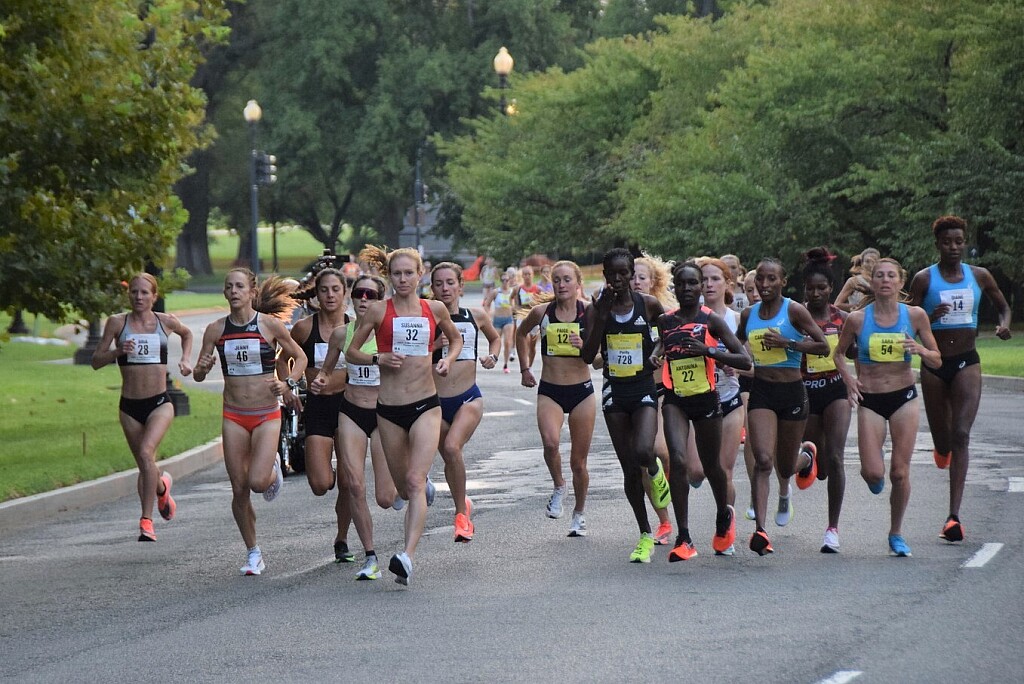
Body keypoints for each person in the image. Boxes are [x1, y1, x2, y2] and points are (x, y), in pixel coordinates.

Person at [345, 245, 462, 586]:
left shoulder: (434, 308)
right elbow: (352, 351)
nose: (403, 279)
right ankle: (422, 485)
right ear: (389, 276)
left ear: (420, 274)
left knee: (413, 481)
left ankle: (407, 556)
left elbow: (454, 340)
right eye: (396, 274)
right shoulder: (378, 311)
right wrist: (377, 359)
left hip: (426, 405)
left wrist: (447, 359)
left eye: (409, 273)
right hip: (389, 411)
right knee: (403, 488)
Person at [193, 269, 306, 575]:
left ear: (251, 292)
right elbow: (199, 374)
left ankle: (272, 471)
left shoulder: (269, 325)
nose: (234, 291)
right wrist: (202, 368)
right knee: (239, 487)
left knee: (257, 482)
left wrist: (289, 383)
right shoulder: (215, 330)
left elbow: (300, 357)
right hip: (234, 414)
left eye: (239, 286)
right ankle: (253, 552)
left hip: (266, 413)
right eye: (229, 286)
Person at [909, 215, 1012, 542]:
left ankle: (953, 517)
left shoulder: (979, 275)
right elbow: (907, 322)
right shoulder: (924, 279)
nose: (953, 247)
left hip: (967, 360)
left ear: (965, 243)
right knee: (944, 441)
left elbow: (1003, 307)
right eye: (947, 242)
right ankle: (942, 450)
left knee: (962, 434)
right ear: (937, 244)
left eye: (958, 241)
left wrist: (1004, 324)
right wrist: (930, 317)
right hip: (935, 363)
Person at [833, 257, 941, 556]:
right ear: (872, 281)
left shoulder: (915, 316)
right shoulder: (857, 319)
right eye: (879, 275)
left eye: (891, 276)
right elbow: (839, 354)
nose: (885, 280)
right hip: (871, 400)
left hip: (904, 397)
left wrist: (920, 349)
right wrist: (849, 380)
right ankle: (874, 467)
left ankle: (896, 533)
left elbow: (937, 358)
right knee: (873, 473)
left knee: (900, 473)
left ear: (900, 282)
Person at [651, 262, 750, 561]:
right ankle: (684, 537)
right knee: (678, 460)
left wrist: (708, 351)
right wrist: (656, 355)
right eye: (681, 284)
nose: (687, 289)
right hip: (675, 400)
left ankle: (723, 512)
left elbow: (744, 360)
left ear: (700, 287)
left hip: (707, 400)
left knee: (712, 466)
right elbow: (662, 345)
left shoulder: (711, 320)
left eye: (693, 283)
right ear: (675, 287)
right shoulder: (665, 320)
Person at [581, 248, 669, 563]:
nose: (618, 279)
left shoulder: (648, 305)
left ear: (631, 274)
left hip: (643, 387)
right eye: (612, 274)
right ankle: (645, 534)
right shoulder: (596, 309)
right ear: (605, 275)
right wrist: (602, 315)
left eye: (623, 273)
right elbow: (587, 355)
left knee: (645, 451)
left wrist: (656, 352)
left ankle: (656, 473)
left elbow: (666, 335)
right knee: (630, 468)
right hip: (615, 392)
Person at [736, 258, 830, 556]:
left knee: (785, 467)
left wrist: (788, 343)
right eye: (760, 279)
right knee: (763, 460)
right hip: (762, 392)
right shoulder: (749, 314)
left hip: (792, 392)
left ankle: (806, 456)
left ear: (783, 282)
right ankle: (761, 531)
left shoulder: (794, 310)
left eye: (771, 279)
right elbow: (736, 344)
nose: (764, 285)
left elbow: (823, 346)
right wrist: (726, 358)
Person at [312, 273, 403, 580]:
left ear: (381, 299)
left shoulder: (391, 332)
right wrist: (320, 380)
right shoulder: (341, 334)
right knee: (353, 484)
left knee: (385, 498)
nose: (364, 299)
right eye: (359, 294)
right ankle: (370, 556)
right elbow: (326, 370)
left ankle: (407, 479)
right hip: (350, 412)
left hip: (382, 415)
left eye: (371, 295)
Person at [91, 273, 193, 542]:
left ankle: (146, 521)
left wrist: (186, 359)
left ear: (154, 296)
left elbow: (187, 333)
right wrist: (118, 351)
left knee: (147, 454)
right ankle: (162, 487)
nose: (139, 297)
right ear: (129, 295)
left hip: (160, 403)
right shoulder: (117, 323)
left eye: (145, 292)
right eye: (134, 292)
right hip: (129, 407)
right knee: (146, 464)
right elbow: (96, 361)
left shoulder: (165, 322)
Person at [518, 260, 597, 537]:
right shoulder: (542, 313)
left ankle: (579, 514)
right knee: (551, 443)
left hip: (581, 392)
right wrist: (525, 368)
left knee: (579, 462)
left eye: (567, 279)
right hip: (550, 389)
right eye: (556, 280)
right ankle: (559, 485)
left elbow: (600, 359)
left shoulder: (589, 313)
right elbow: (521, 333)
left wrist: (585, 347)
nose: (561, 285)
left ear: (578, 283)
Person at [430, 261, 501, 542]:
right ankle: (462, 503)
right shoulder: (426, 317)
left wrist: (492, 356)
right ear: (432, 288)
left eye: (450, 282)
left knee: (451, 446)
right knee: (450, 457)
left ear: (461, 285)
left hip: (468, 397)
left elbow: (495, 339)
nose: (445, 288)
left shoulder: (476, 315)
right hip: (435, 401)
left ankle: (461, 516)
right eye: (439, 284)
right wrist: (433, 347)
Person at [798, 248, 853, 553]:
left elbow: (853, 352)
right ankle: (808, 462)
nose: (816, 293)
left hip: (836, 390)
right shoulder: (796, 317)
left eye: (822, 288)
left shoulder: (842, 319)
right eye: (811, 288)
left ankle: (832, 529)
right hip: (806, 392)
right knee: (821, 468)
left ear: (831, 288)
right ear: (804, 289)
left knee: (835, 457)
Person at [632, 253, 686, 546]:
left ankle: (669, 489)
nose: (636, 281)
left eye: (642, 277)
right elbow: (601, 357)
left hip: (664, 390)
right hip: (633, 392)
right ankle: (664, 521)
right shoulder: (620, 313)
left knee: (661, 452)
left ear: (653, 282)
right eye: (632, 276)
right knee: (645, 458)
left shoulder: (665, 314)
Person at [696, 257, 747, 555]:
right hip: (697, 402)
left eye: (715, 279)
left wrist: (735, 368)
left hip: (729, 401)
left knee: (724, 470)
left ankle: (725, 525)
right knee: (695, 472)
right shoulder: (689, 318)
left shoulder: (737, 320)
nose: (708, 284)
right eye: (703, 279)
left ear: (727, 283)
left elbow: (752, 365)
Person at [737, 268, 793, 527]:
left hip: (785, 386)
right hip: (752, 386)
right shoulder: (746, 317)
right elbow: (735, 348)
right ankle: (756, 498)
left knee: (783, 453)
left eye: (760, 285)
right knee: (757, 447)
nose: (756, 292)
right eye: (750, 289)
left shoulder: (787, 313)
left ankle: (784, 490)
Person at [482, 270, 517, 373]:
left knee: (507, 342)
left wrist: (516, 310)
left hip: (508, 319)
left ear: (510, 280)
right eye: (503, 280)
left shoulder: (512, 292)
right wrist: (488, 315)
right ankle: (492, 359)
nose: (505, 282)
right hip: (497, 319)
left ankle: (506, 364)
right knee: (495, 341)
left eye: (507, 280)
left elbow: (518, 303)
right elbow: (486, 304)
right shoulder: (496, 292)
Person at [514, 265, 543, 370]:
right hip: (522, 316)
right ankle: (525, 365)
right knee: (524, 339)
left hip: (534, 317)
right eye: (525, 274)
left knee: (532, 345)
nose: (527, 276)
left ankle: (530, 365)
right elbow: (515, 302)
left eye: (529, 274)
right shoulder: (519, 289)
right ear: (522, 276)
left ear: (532, 275)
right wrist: (517, 309)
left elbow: (542, 303)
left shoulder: (538, 289)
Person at [835, 247, 880, 312]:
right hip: (859, 317)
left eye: (874, 261)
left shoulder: (883, 281)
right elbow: (837, 304)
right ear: (862, 264)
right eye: (867, 261)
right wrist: (860, 306)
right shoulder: (854, 281)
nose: (871, 265)